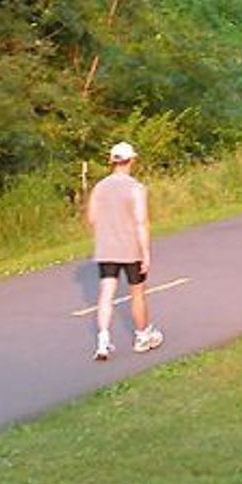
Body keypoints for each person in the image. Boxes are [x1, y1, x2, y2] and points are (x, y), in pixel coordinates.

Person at [86, 141, 164, 362]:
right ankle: (142, 335)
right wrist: (146, 252)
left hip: (106, 248)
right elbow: (141, 221)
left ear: (112, 162)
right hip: (130, 248)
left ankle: (103, 340)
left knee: (106, 292)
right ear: (131, 161)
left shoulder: (99, 187)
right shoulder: (135, 188)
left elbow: (92, 218)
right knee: (137, 292)